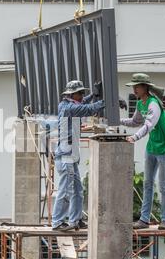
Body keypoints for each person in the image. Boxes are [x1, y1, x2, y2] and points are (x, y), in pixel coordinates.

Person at [52, 80, 127, 231]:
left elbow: (84, 103)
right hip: (66, 154)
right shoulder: (69, 108)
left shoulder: (67, 105)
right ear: (72, 94)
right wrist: (110, 101)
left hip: (70, 154)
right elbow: (88, 109)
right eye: (80, 93)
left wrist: (94, 94)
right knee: (66, 190)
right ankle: (58, 222)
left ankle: (76, 219)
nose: (82, 96)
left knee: (78, 190)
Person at [121, 73, 165, 230]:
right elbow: (136, 121)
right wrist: (116, 120)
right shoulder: (140, 104)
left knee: (163, 185)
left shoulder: (153, 104)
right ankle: (144, 220)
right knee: (147, 183)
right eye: (133, 86)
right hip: (152, 147)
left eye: (137, 86)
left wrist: (135, 137)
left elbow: (148, 125)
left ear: (145, 87)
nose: (134, 89)